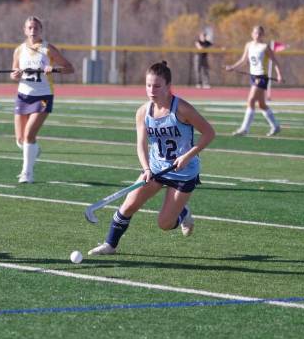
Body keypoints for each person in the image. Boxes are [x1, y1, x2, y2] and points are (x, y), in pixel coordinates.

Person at [88, 61, 215, 256]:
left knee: (164, 224)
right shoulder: (143, 112)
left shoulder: (181, 108)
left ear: (168, 86)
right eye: (148, 85)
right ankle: (110, 245)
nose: (151, 90)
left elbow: (209, 133)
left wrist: (188, 156)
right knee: (128, 206)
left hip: (183, 172)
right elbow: (141, 144)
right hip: (156, 168)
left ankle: (183, 213)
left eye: (157, 86)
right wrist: (146, 168)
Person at [9, 16, 74, 184]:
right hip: (23, 96)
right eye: (29, 28)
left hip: (42, 96)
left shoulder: (48, 49)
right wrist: (14, 75)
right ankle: (34, 149)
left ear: (40, 30)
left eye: (35, 28)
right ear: (24, 30)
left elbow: (69, 68)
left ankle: (27, 173)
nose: (32, 31)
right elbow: (14, 72)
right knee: (20, 140)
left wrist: (54, 69)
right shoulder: (19, 50)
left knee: (29, 135)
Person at [225, 25, 283, 136]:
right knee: (261, 105)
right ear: (252, 34)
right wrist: (233, 67)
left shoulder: (265, 47)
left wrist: (279, 75)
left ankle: (244, 129)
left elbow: (275, 62)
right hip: (253, 77)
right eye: (256, 33)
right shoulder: (249, 45)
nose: (257, 35)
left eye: (260, 33)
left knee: (251, 100)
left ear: (263, 35)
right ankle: (275, 126)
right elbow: (243, 60)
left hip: (261, 77)